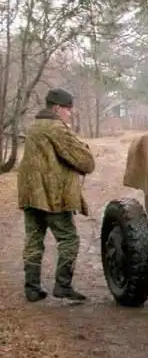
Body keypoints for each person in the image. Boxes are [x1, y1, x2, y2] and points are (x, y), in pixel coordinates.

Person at [17, 88, 95, 302]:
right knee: (69, 239)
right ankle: (63, 285)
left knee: (34, 239)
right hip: (53, 195)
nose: (70, 113)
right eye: (68, 109)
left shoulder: (34, 126)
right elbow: (85, 162)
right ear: (57, 108)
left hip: (31, 195)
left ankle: (32, 289)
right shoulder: (56, 128)